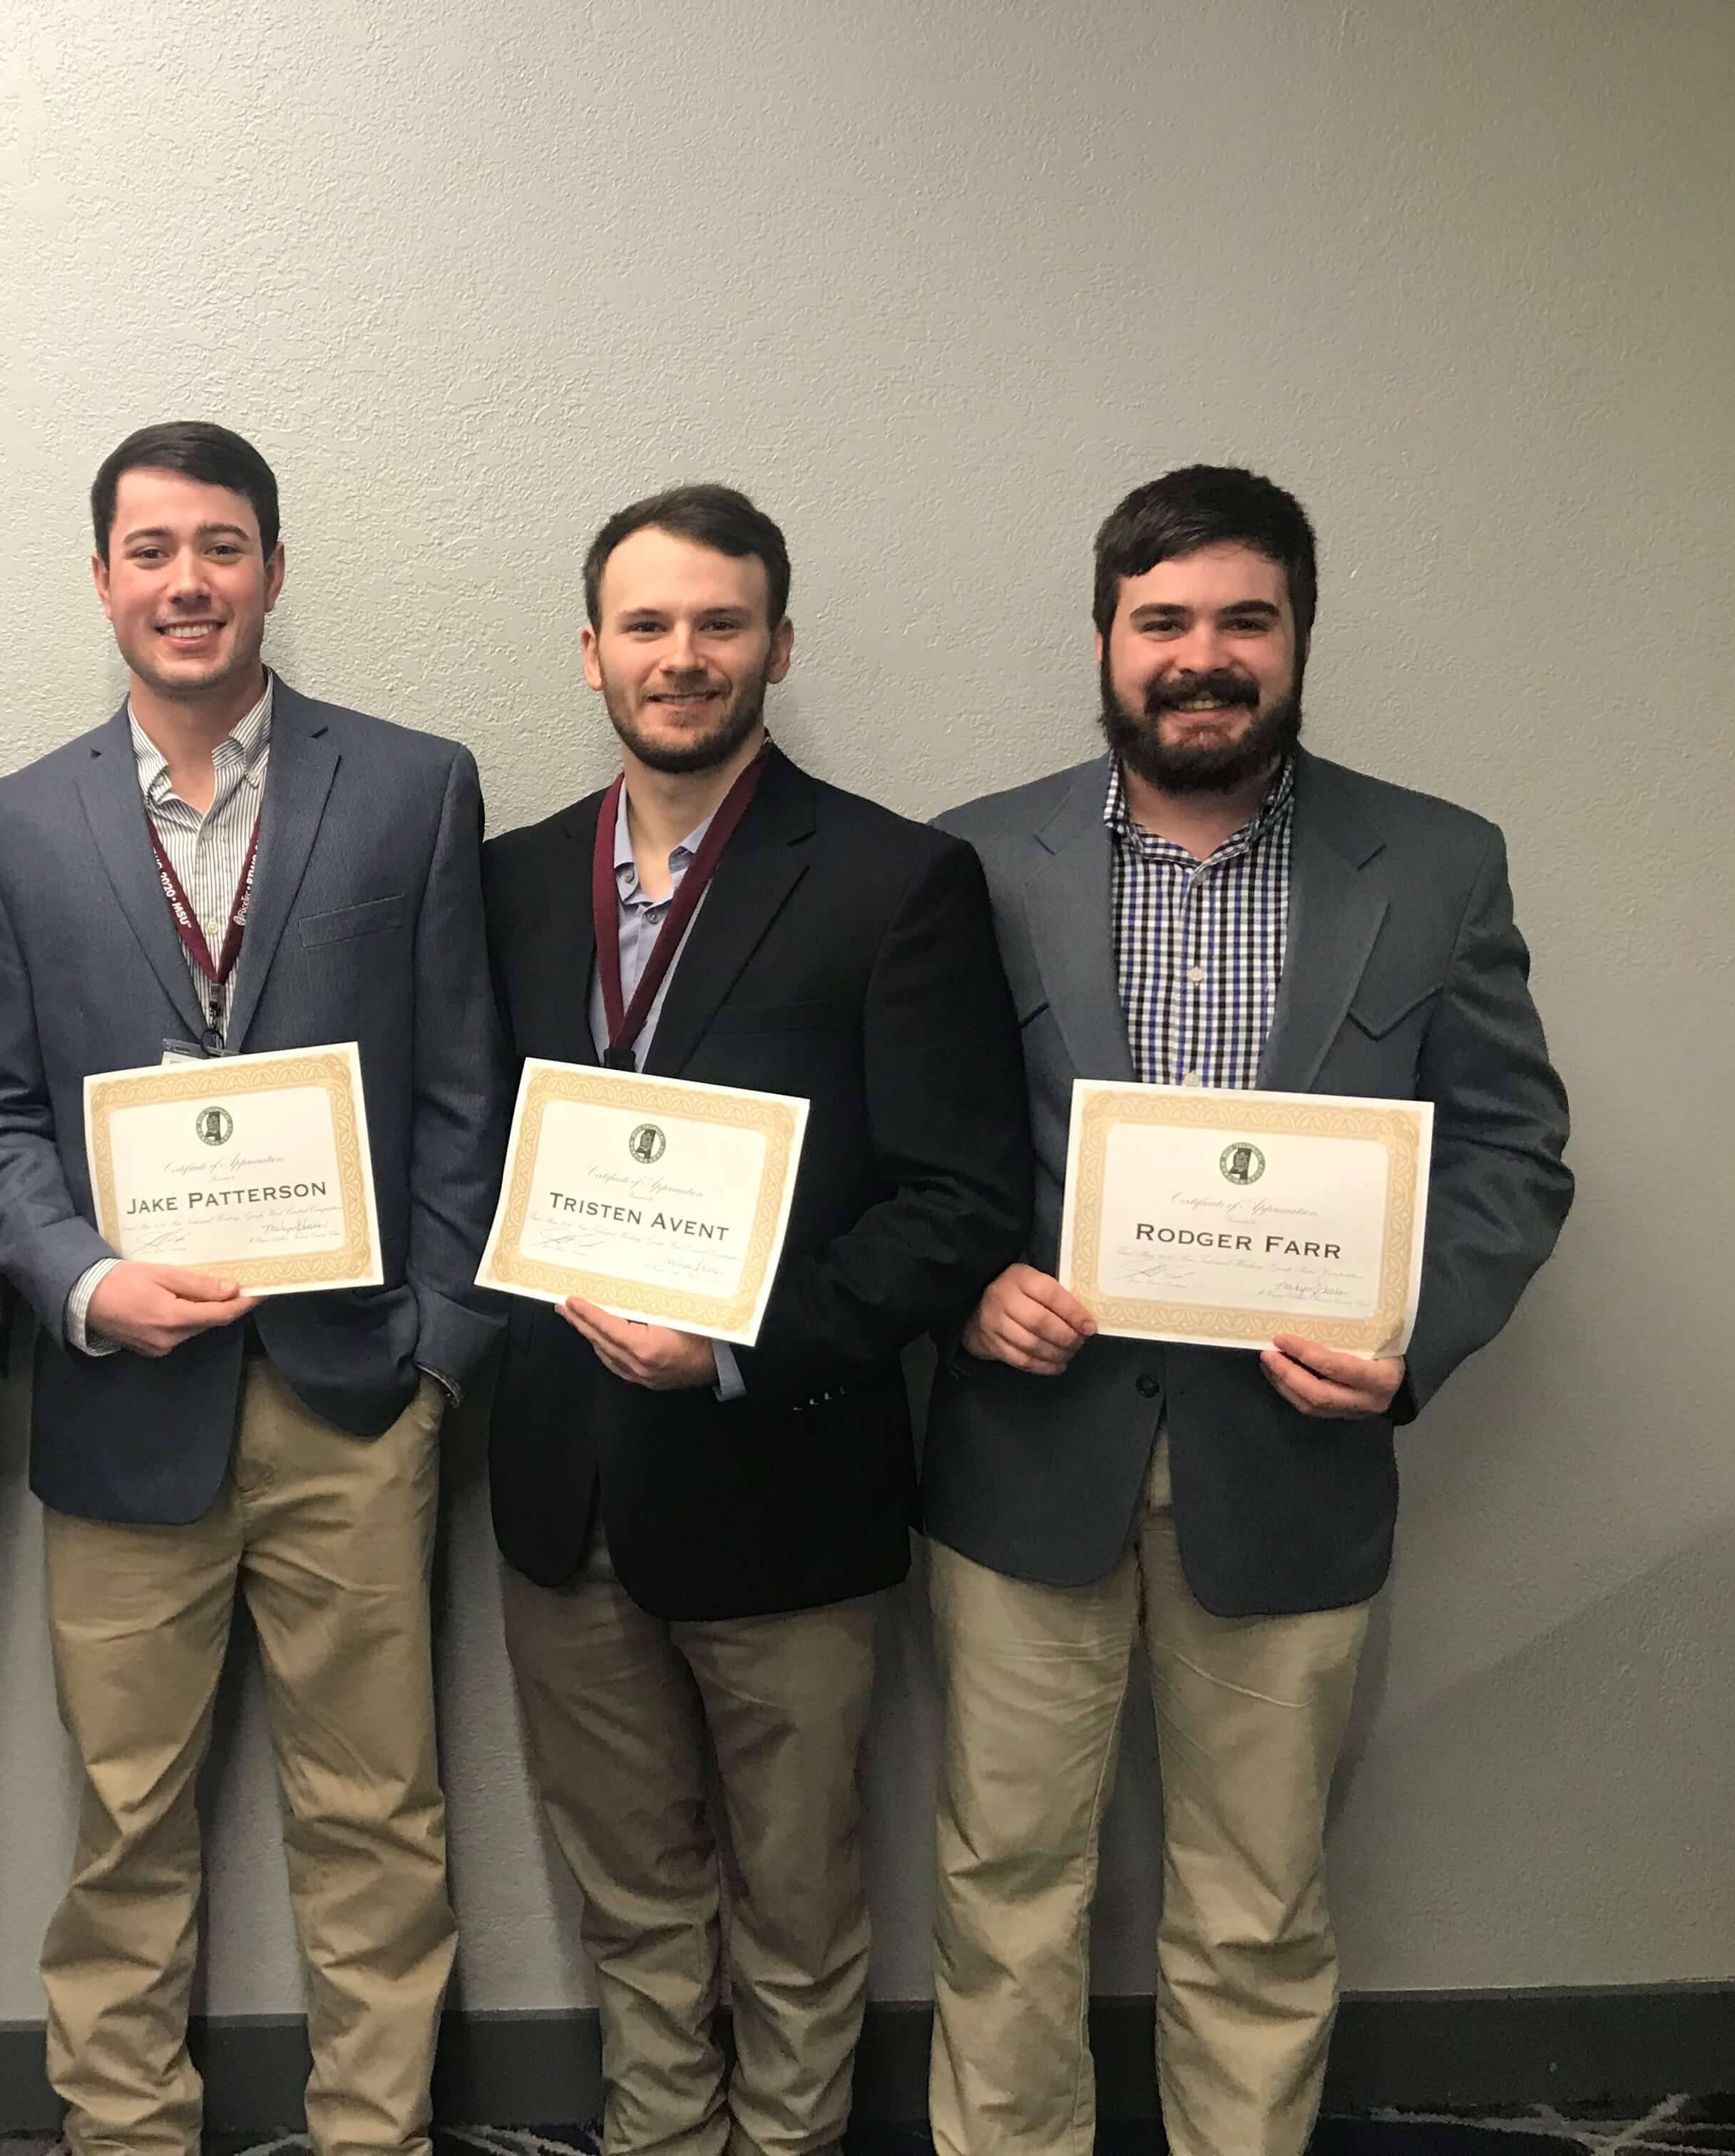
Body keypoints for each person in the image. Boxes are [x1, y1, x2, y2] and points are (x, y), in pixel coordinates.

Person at [922, 464, 1576, 2155]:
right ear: (1105, 642)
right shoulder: (975, 860)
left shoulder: (1434, 864)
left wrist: (1411, 1336)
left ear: (1296, 637)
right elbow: (915, 1146)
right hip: (1028, 1459)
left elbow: (1512, 1150)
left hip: (1292, 1462)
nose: (1201, 657)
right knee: (1004, 1897)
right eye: (1164, 623)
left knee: (1257, 1909)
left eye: (1242, 620)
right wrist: (968, 1286)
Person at [0, 421, 505, 2156]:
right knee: (127, 1824)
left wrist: (438, 1353)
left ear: (273, 565)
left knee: (377, 1819)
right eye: (150, 550)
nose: (186, 582)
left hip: (355, 1393)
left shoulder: (411, 785)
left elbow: (462, 1092)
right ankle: (124, 2135)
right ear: (102, 577)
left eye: (222, 546)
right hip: (124, 1404)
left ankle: (376, 2134)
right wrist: (79, 1283)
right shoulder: (19, 820)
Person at [480, 485, 1029, 2156]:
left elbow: (959, 1205)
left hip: (783, 1474)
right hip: (565, 1483)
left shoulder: (897, 878)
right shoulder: (504, 883)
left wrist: (736, 1344)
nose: (683, 656)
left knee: (794, 1914)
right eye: (646, 625)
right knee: (632, 1905)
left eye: (721, 623)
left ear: (780, 644)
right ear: (589, 654)